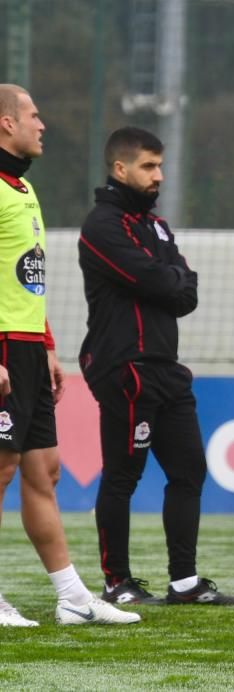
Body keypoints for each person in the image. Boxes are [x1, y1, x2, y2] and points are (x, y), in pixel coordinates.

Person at [78, 126, 234, 606]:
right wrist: (166, 278)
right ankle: (116, 582)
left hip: (166, 368)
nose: (159, 176)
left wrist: (167, 278)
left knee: (190, 469)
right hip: (124, 367)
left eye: (160, 166)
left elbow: (184, 289)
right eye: (149, 167)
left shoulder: (157, 226)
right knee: (123, 475)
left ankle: (184, 582)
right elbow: (154, 278)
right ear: (120, 168)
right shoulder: (101, 226)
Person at [0, 83, 139, 626]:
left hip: (29, 348)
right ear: (6, 123)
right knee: (4, 469)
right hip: (4, 347)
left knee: (45, 471)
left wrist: (48, 345)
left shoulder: (23, 190)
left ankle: (72, 597)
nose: (43, 123)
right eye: (33, 114)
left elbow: (23, 279)